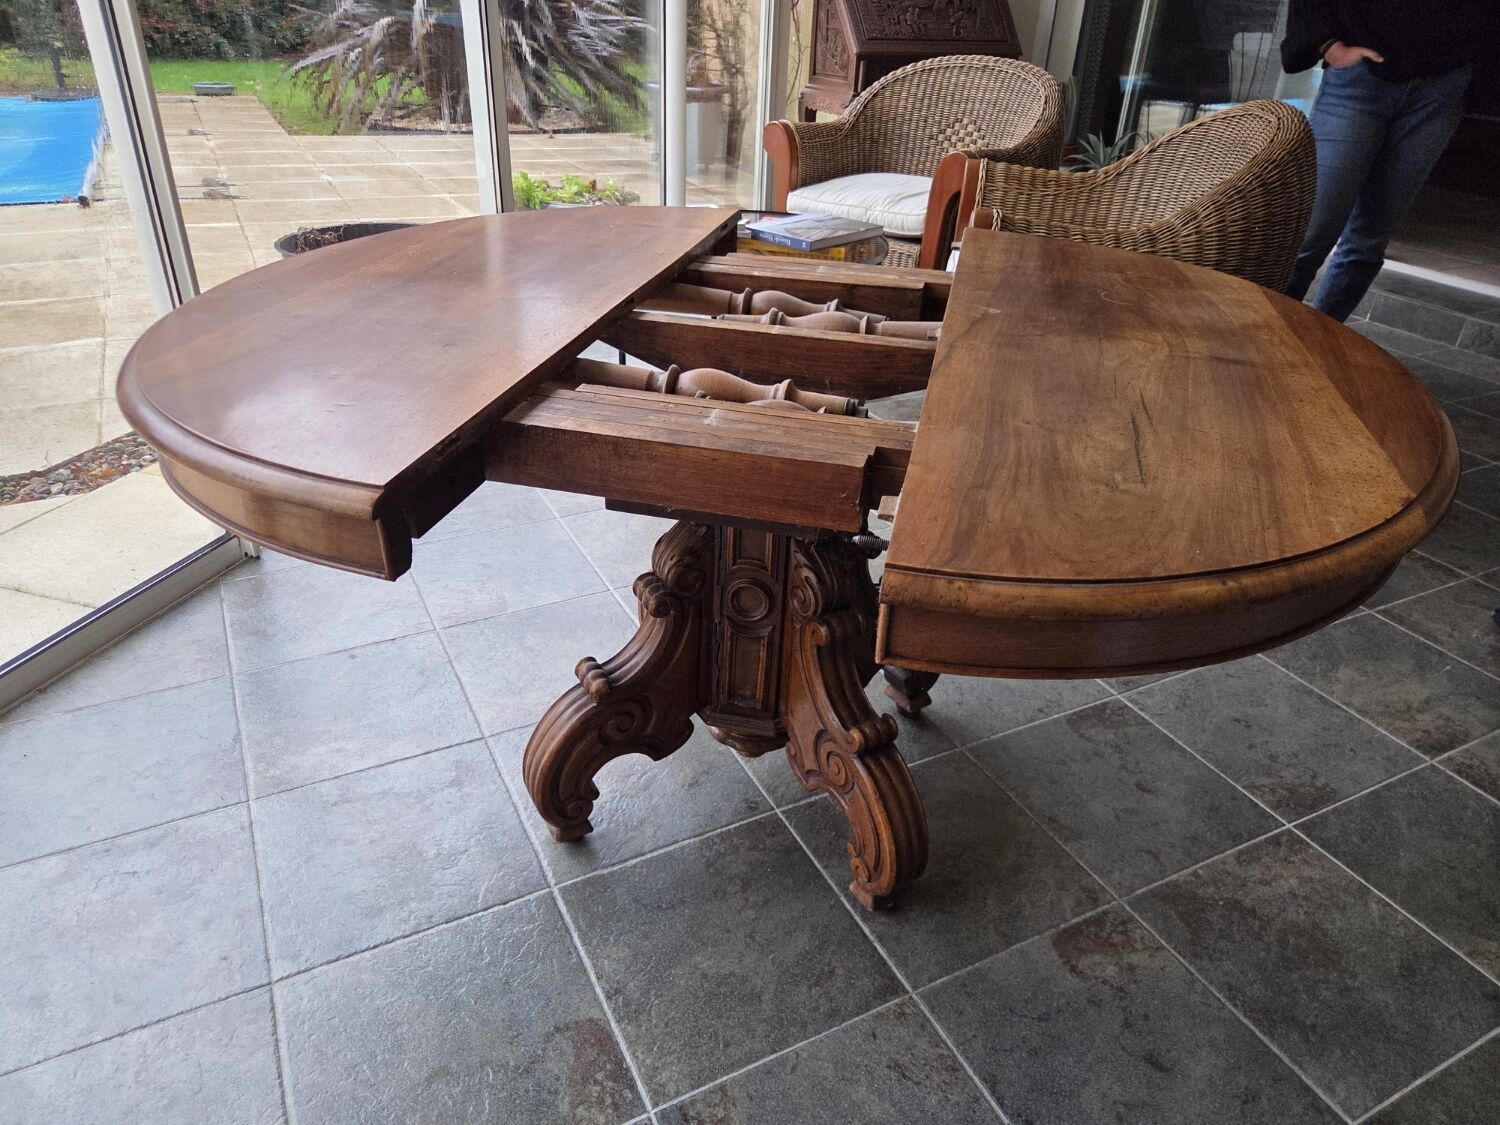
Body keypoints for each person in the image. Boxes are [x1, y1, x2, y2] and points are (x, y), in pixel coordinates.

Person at [1281, 0, 1487, 321]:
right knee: (1310, 234)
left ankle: (1320, 347)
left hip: (1442, 89)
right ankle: (1262, 340)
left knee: (1367, 242)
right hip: (1358, 82)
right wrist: (1327, 44)